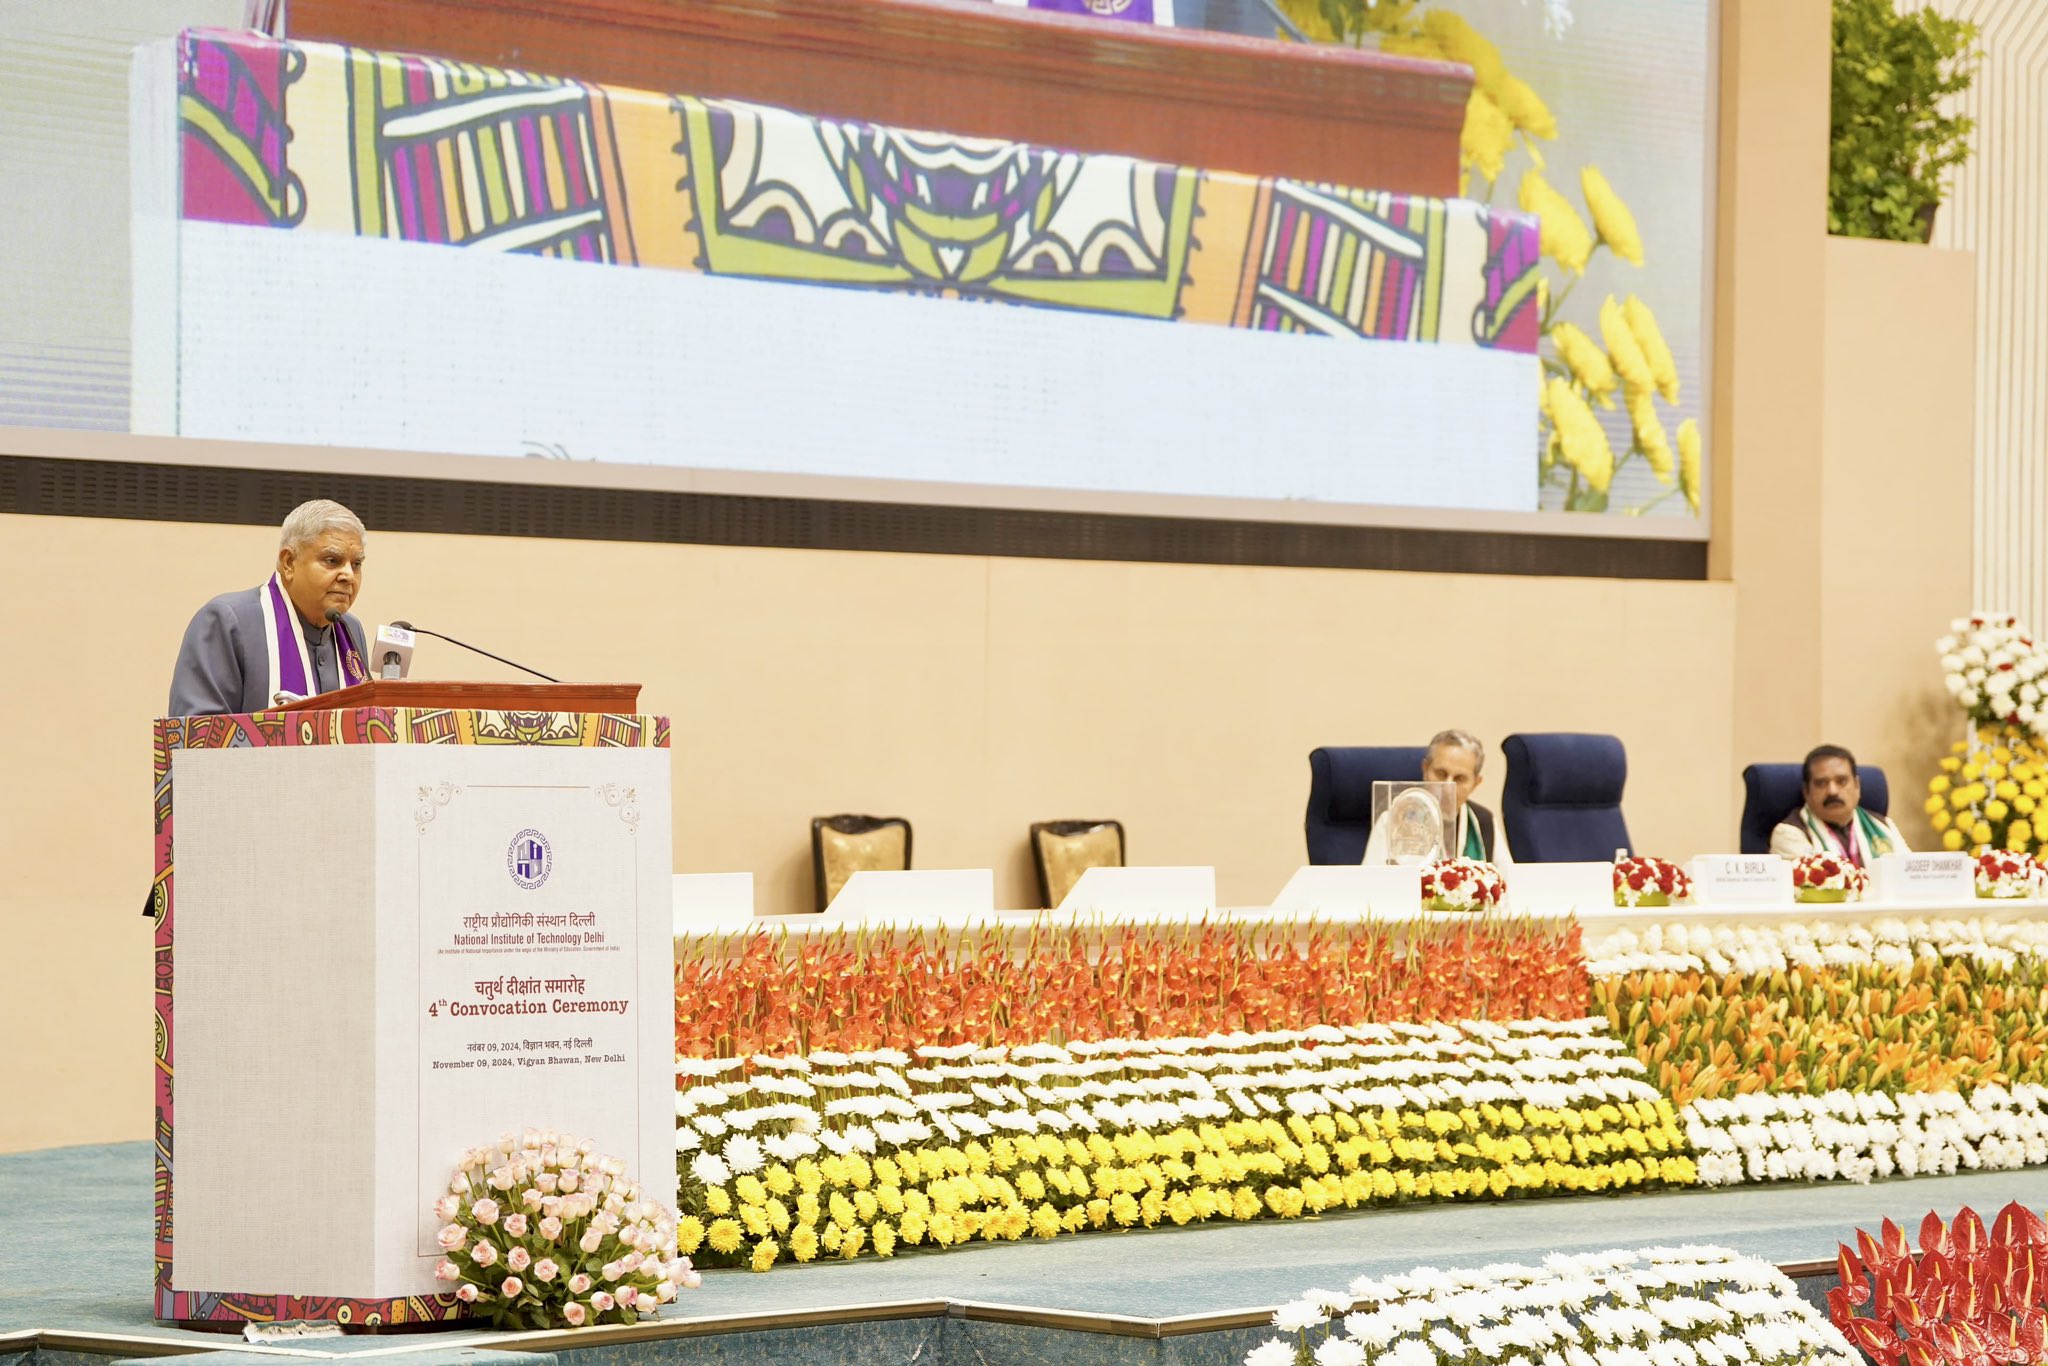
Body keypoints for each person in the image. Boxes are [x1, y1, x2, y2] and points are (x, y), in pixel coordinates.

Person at [167, 499, 371, 717]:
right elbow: (196, 737)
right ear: (289, 563)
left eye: (356, 564)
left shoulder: (350, 630)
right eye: (332, 560)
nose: (348, 575)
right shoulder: (227, 621)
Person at [1361, 729, 1513, 867]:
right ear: (1425, 769)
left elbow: (1508, 883)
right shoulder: (1394, 820)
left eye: (1459, 778)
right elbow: (1369, 885)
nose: (1447, 786)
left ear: (1476, 783)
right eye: (1441, 773)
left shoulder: (1483, 821)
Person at [1769, 743, 1908, 864]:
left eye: (1842, 781)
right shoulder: (1788, 834)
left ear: (1857, 786)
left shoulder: (1884, 826)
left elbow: (1908, 875)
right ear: (1806, 792)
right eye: (1821, 783)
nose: (1832, 791)